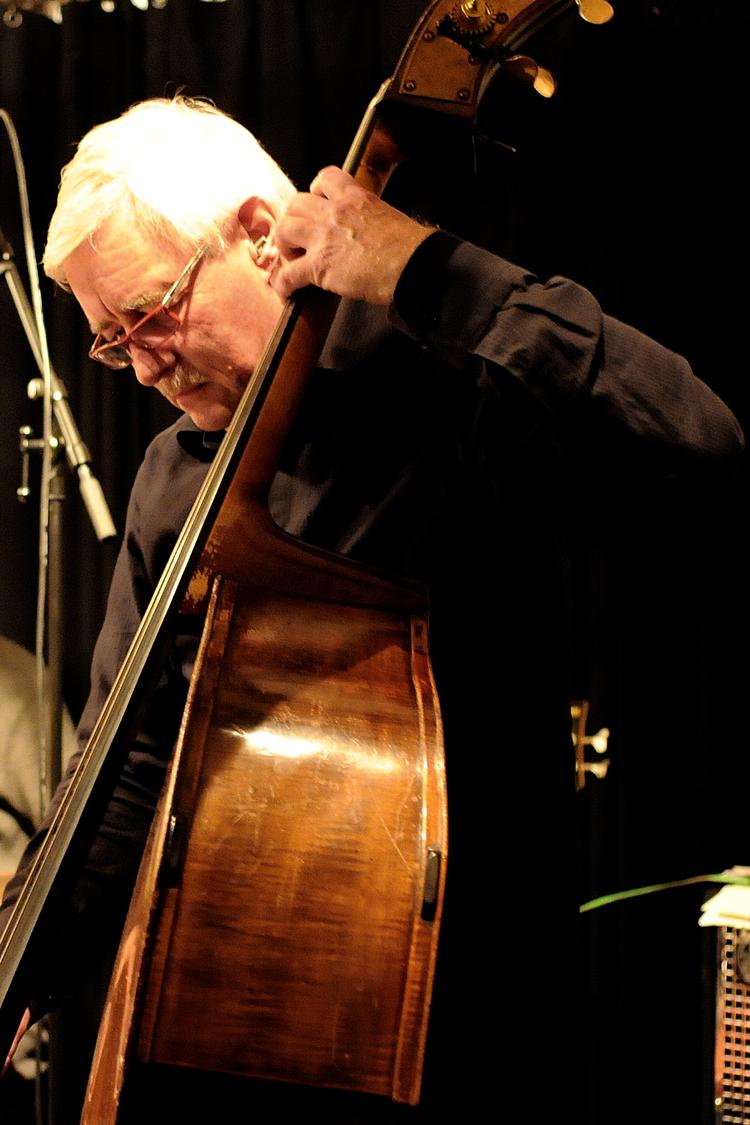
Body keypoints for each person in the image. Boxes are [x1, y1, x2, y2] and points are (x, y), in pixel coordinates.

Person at [0, 95, 743, 1121]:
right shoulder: (174, 478)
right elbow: (124, 768)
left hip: (466, 1017)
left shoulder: (445, 388)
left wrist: (426, 269)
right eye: (111, 342)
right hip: (242, 1023)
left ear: (260, 237)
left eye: (151, 313)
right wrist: (19, 963)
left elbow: (695, 443)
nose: (144, 365)